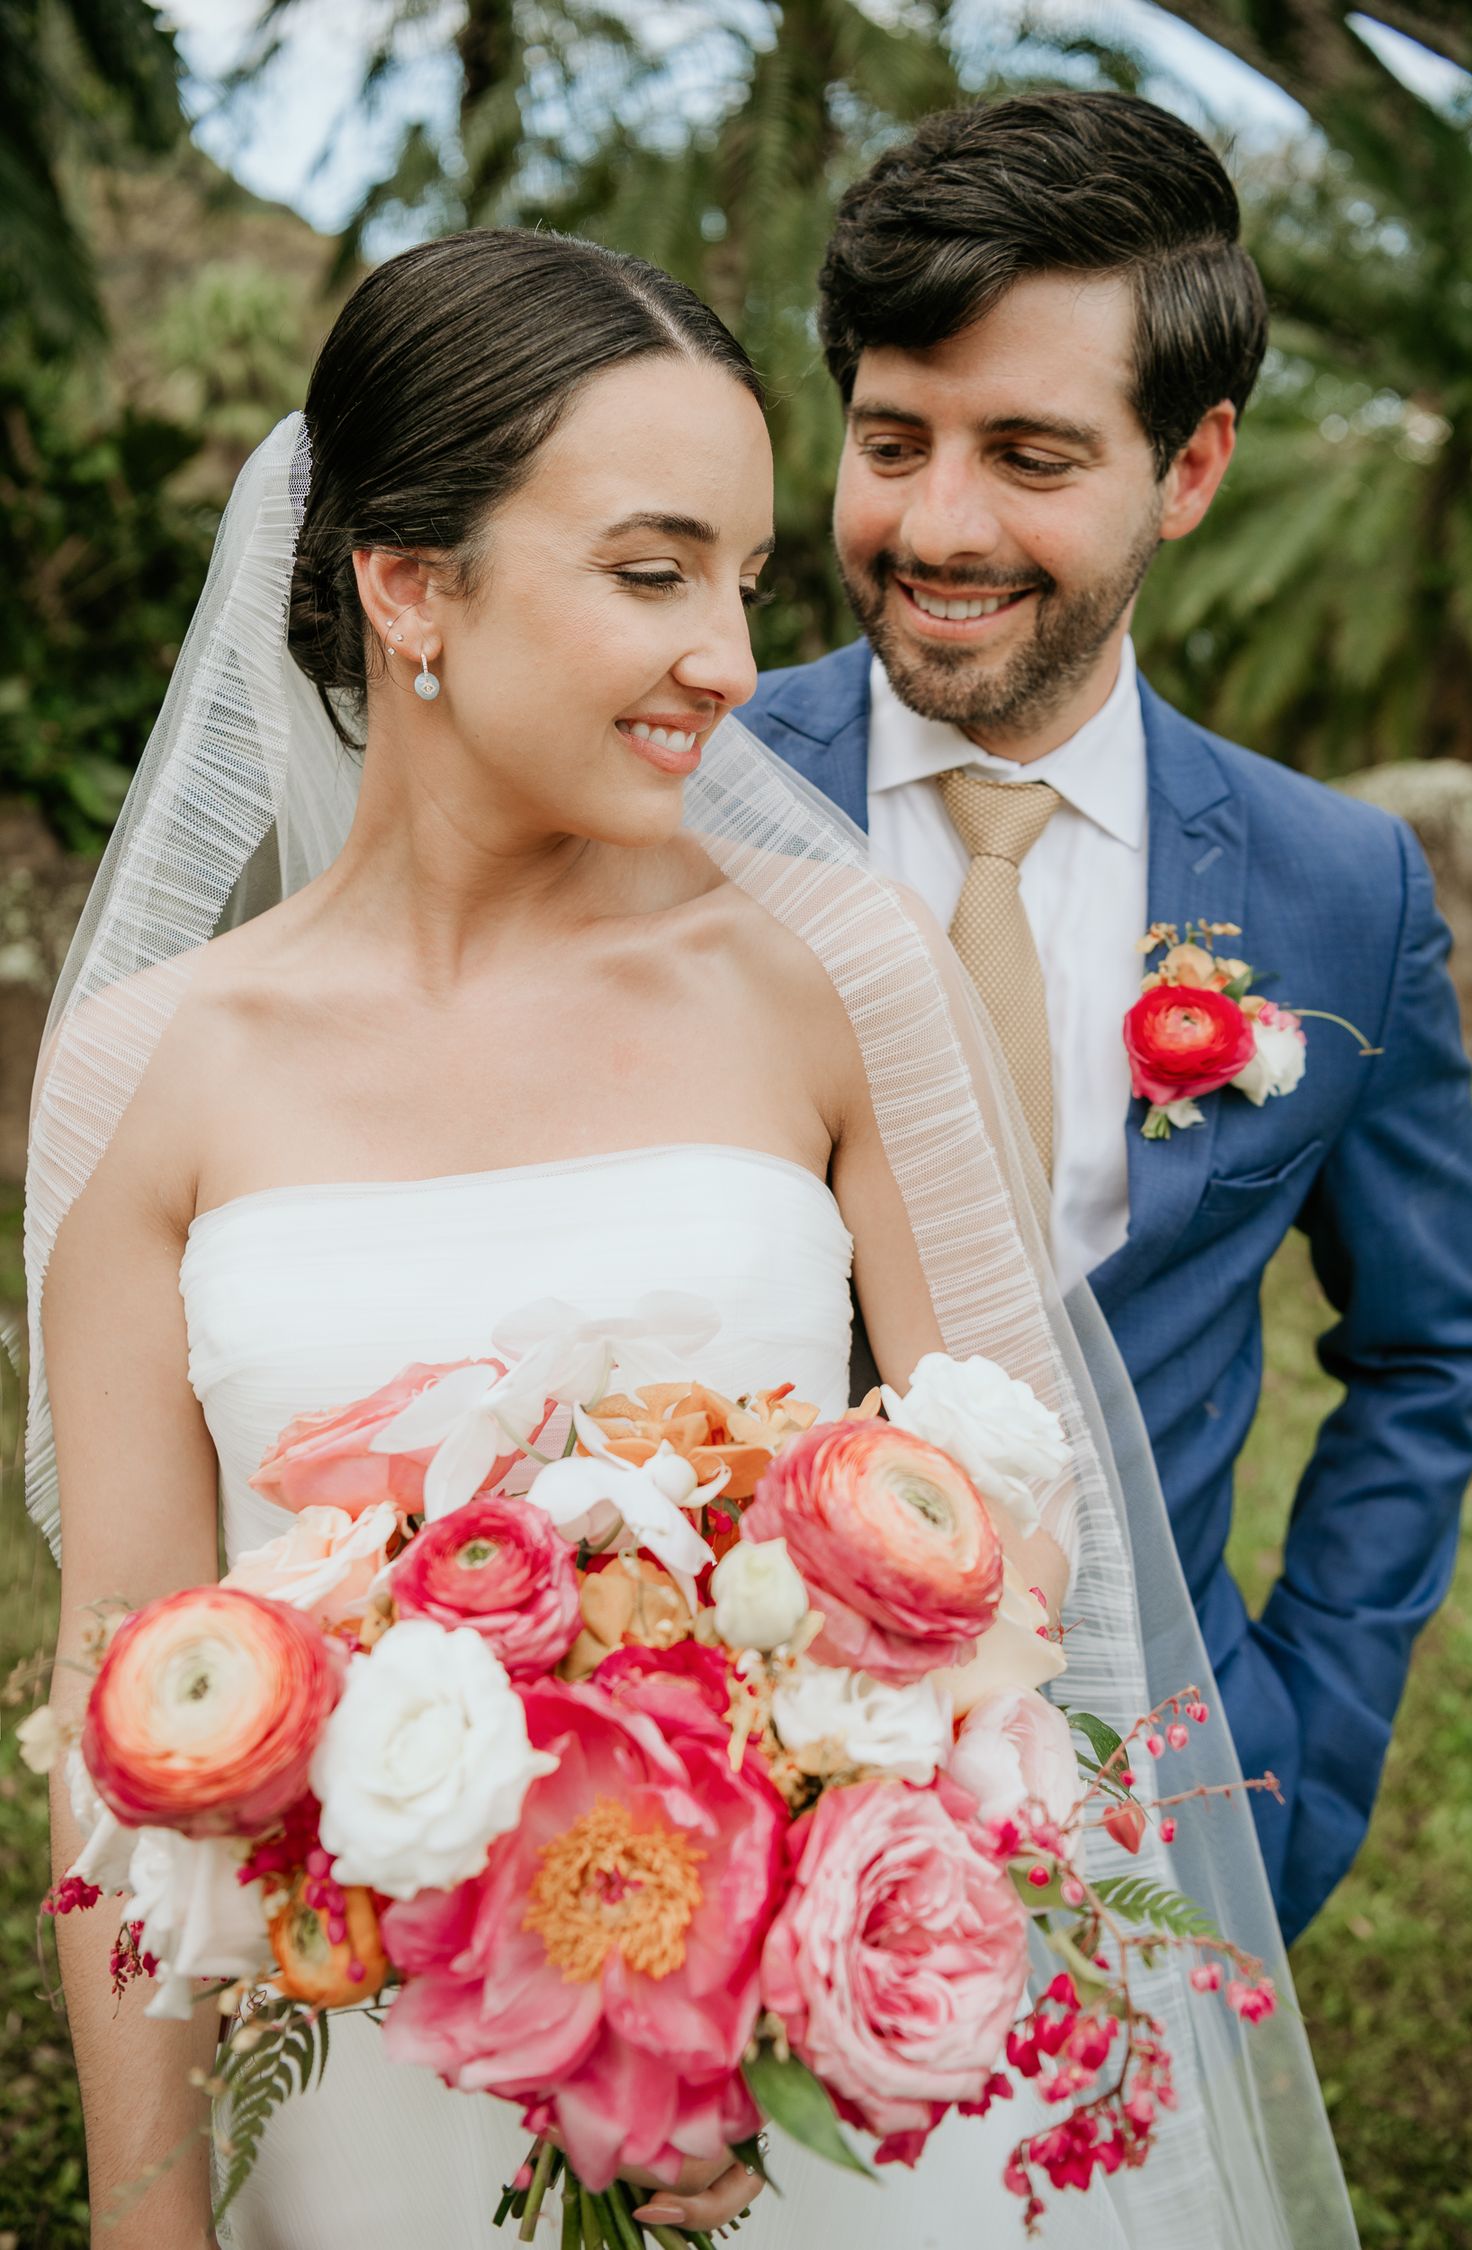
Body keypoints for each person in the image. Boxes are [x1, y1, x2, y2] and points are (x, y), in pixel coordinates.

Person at [30, 231, 1353, 2249]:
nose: (732, 660)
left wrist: (766, 1944)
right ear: (408, 588)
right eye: (653, 574)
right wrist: (144, 2217)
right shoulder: (152, 1067)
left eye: (744, 578)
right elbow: (124, 1697)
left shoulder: (835, 975)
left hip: (792, 2099)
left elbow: (1025, 1534)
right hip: (365, 2100)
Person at [745, 90, 1472, 1943]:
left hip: (1158, 1804)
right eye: (894, 439)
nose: (940, 523)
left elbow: (1427, 1352)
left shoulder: (1345, 888)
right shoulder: (692, 806)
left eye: (1028, 452)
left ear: (1192, 465)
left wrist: (1305, 1740)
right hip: (726, 1778)